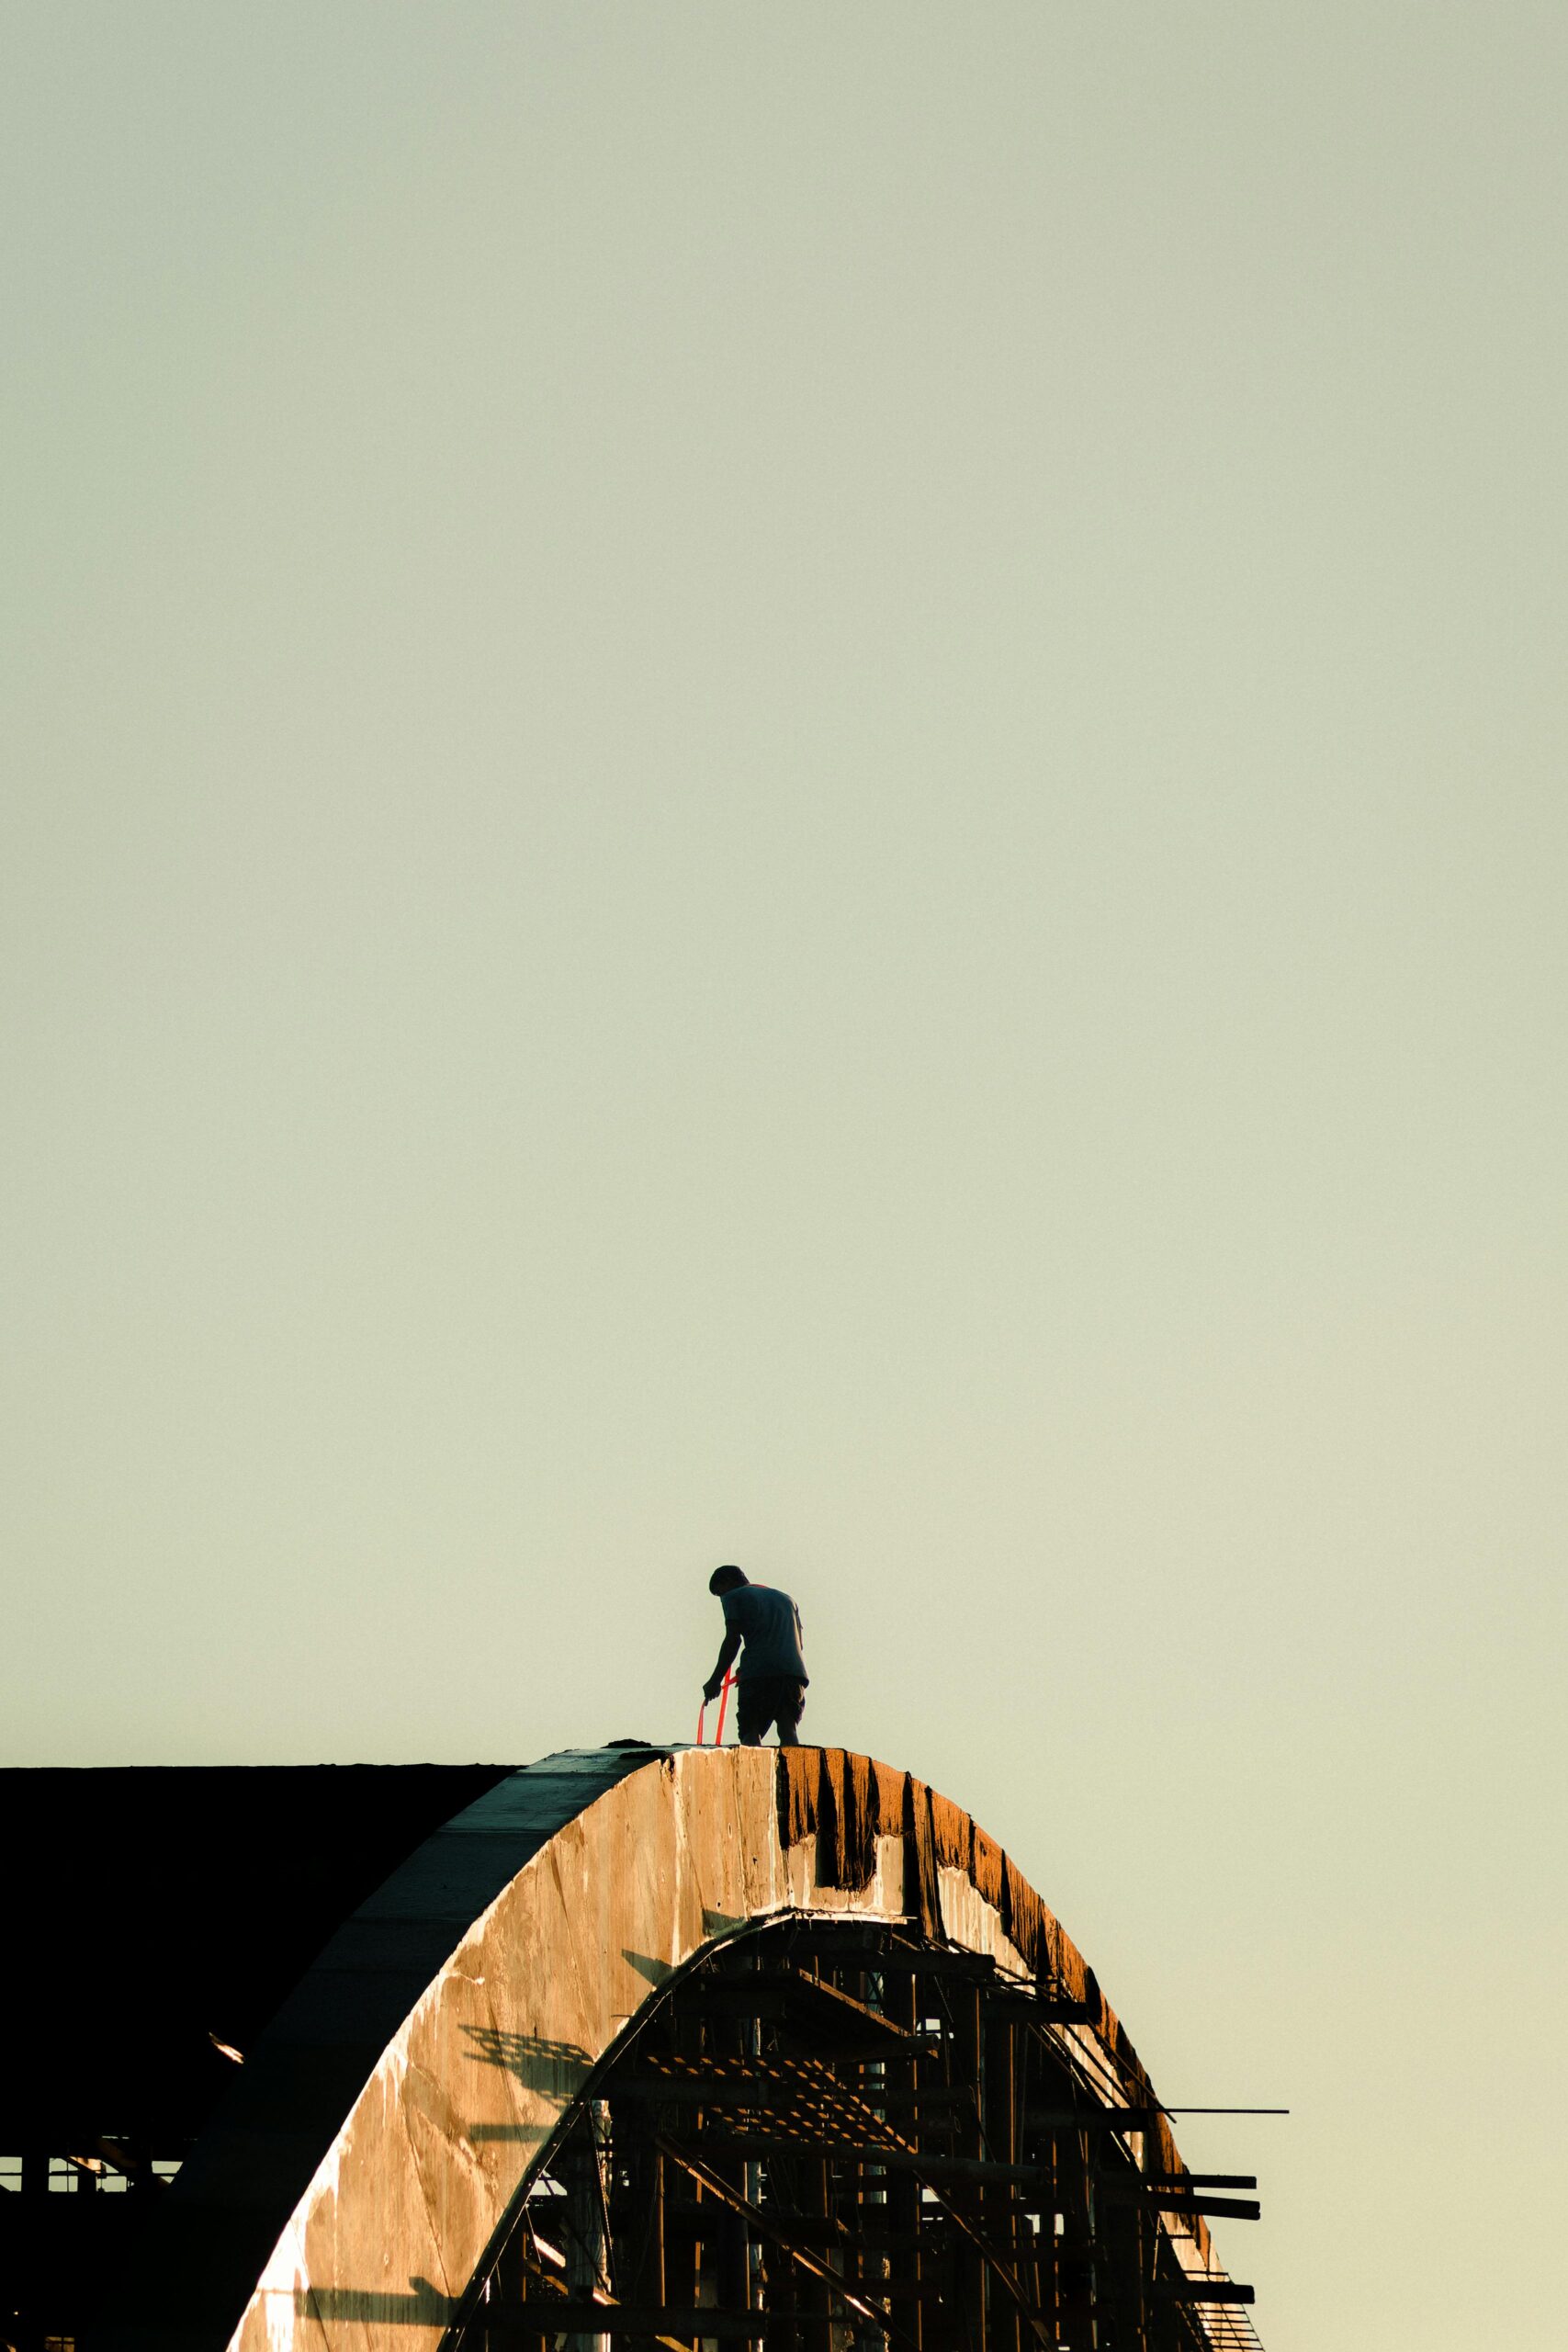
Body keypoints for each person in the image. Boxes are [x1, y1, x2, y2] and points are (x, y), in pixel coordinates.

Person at [702, 1565, 808, 1747]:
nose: (721, 1598)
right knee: (787, 1728)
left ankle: (753, 1774)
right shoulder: (787, 1599)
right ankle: (794, 1772)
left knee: (750, 1730)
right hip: (794, 1673)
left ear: (727, 1582)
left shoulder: (734, 1596)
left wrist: (714, 1681)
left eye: (719, 1593)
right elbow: (798, 1643)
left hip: (759, 1675)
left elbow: (733, 1640)